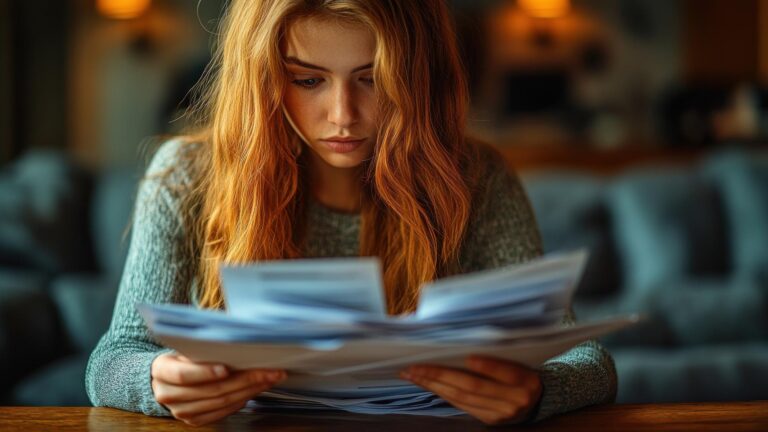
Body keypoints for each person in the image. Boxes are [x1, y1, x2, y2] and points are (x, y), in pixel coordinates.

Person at [86, 0, 616, 426]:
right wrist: (157, 378)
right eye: (308, 80)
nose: (343, 115)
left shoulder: (476, 177)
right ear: (263, 79)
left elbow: (588, 363)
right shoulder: (185, 174)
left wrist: (537, 391)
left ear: (417, 78)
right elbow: (113, 358)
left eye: (374, 77)